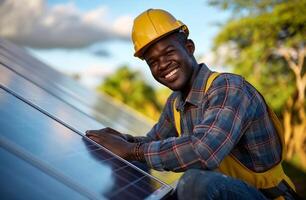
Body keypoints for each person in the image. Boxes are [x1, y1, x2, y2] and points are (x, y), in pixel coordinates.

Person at [86, 9, 299, 200]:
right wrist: (121, 140)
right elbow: (151, 142)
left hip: (266, 196)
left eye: (168, 53)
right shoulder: (176, 103)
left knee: (194, 182)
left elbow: (203, 151)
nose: (162, 65)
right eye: (153, 62)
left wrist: (131, 150)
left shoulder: (228, 88)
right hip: (225, 193)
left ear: (189, 48)